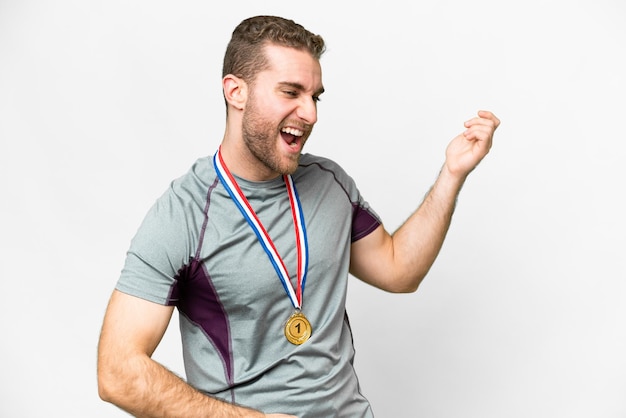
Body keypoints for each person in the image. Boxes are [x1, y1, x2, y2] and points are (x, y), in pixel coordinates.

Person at [97, 15, 500, 418]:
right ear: (236, 92)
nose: (309, 113)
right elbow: (117, 372)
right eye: (291, 92)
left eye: (315, 96)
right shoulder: (182, 215)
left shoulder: (329, 182)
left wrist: (451, 174)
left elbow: (399, 271)